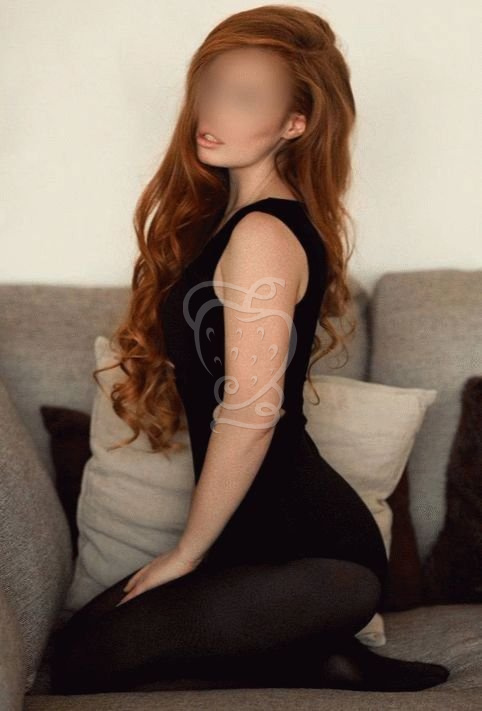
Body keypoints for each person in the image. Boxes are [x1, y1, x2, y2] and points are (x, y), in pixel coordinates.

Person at [51, 5, 450, 694]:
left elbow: (252, 415)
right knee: (77, 651)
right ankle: (315, 657)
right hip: (248, 545)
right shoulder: (226, 223)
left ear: (295, 124)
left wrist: (187, 552)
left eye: (244, 99)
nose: (213, 112)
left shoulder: (264, 234)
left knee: (85, 664)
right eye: (211, 87)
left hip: (316, 555)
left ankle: (316, 641)